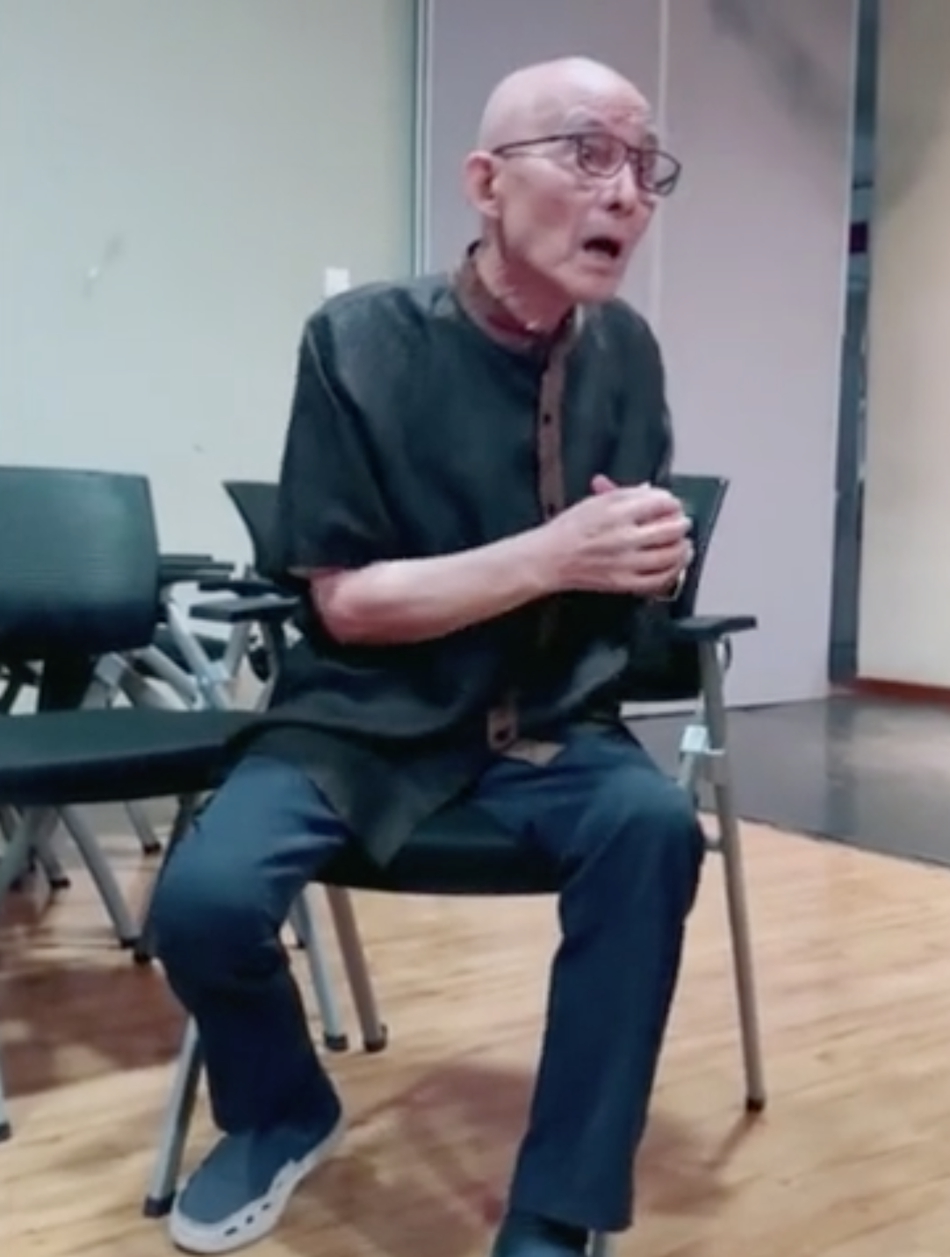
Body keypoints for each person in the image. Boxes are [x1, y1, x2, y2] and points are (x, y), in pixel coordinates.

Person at [151, 54, 705, 1257]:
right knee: (199, 905)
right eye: (588, 153)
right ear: (484, 184)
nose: (625, 193)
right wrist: (555, 554)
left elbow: (621, 572)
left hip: (549, 723)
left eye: (641, 165)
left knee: (654, 830)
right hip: (359, 719)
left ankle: (557, 1209)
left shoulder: (628, 352)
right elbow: (347, 606)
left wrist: (651, 562)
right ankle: (282, 1111)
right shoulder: (356, 342)